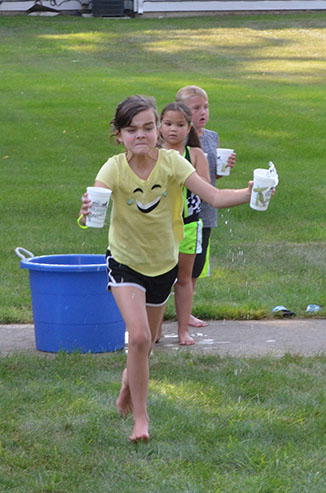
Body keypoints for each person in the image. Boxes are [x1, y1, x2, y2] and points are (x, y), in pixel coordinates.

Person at [78, 95, 253, 443]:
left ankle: (129, 382)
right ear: (119, 134)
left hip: (164, 266)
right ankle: (140, 420)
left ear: (157, 129)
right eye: (131, 130)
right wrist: (86, 211)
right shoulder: (113, 167)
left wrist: (251, 192)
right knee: (139, 337)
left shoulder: (173, 163)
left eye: (147, 127)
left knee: (149, 342)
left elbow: (213, 197)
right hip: (125, 262)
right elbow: (93, 208)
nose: (140, 135)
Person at [176, 85, 236, 328]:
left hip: (207, 213)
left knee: (196, 268)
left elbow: (210, 181)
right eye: (196, 108)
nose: (203, 112)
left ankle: (186, 311)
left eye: (206, 107)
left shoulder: (212, 137)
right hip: (183, 212)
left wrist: (224, 169)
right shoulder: (179, 139)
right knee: (177, 268)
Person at [157, 102, 210, 345]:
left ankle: (182, 330)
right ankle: (154, 329)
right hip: (160, 226)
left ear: (189, 128)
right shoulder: (153, 154)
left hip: (189, 224)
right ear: (159, 126)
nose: (173, 130)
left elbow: (206, 187)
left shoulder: (195, 155)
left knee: (184, 277)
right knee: (159, 277)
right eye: (168, 124)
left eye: (180, 125)